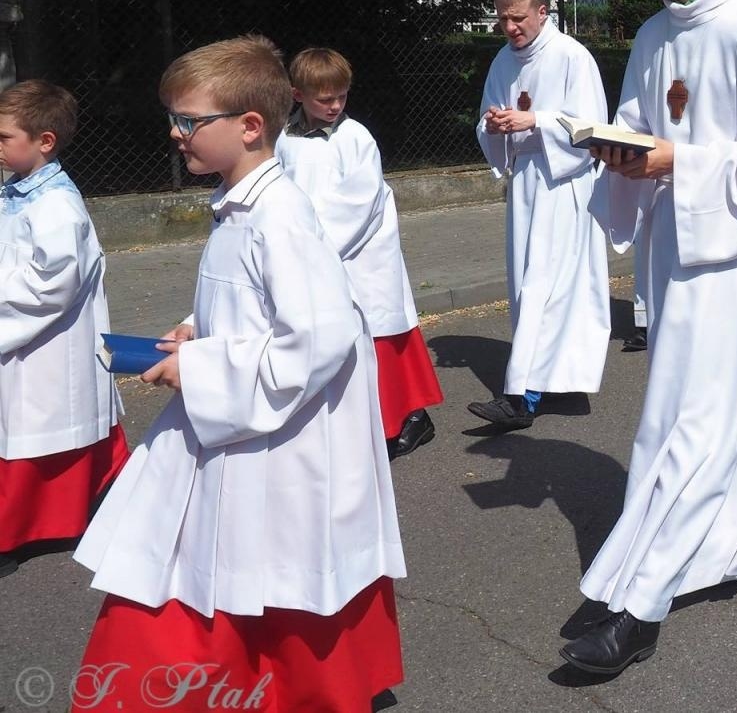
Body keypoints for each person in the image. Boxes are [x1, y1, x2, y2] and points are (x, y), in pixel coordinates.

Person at [73, 36, 405, 711]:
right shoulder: (241, 204)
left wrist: (198, 366)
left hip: (276, 443)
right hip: (239, 424)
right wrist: (198, 330)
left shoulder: (279, 217)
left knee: (243, 574)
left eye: (189, 120)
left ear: (250, 126)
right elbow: (258, 307)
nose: (175, 132)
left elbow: (319, 338)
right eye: (174, 117)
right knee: (201, 561)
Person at [568, 0, 737, 677]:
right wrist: (618, 150)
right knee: (681, 414)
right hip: (673, 250)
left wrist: (680, 161)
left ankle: (641, 605)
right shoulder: (652, 36)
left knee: (698, 423)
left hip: (726, 256)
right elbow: (641, 126)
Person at [277, 48, 444, 459]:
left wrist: (316, 250)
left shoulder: (356, 138)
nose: (335, 106)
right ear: (298, 95)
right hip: (308, 252)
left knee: (377, 339)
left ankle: (405, 419)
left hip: (357, 255)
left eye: (341, 96)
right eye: (324, 99)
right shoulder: (284, 140)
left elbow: (359, 202)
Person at [469, 0, 611, 432]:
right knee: (528, 285)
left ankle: (521, 397)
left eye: (518, 18)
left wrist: (537, 121)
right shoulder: (502, 61)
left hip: (564, 185)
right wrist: (493, 126)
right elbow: (488, 117)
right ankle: (549, 381)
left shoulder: (572, 56)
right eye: (503, 19)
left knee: (544, 287)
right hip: (527, 185)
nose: (510, 28)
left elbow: (594, 128)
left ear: (542, 11)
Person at [0, 81, 128, 579]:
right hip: (29, 340)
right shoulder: (19, 191)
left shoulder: (56, 205)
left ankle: (17, 531)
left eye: (5, 137)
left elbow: (51, 283)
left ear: (45, 141)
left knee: (34, 427)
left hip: (46, 343)